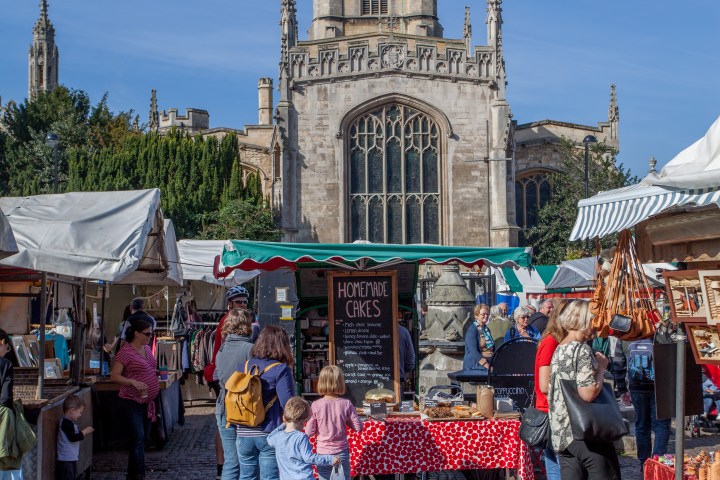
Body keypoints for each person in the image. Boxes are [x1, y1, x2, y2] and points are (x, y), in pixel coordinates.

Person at [548, 300, 620, 480]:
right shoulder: (581, 350)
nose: (596, 326)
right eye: (593, 321)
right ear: (584, 321)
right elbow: (587, 393)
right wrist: (602, 368)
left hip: (562, 433)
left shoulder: (560, 348)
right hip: (586, 432)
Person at [235, 325, 295, 480]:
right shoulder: (280, 369)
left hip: (243, 431)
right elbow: (288, 404)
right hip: (269, 431)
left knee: (246, 477)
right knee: (270, 477)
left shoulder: (245, 366)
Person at [206, 285, 250, 479]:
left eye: (245, 302)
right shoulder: (229, 322)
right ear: (230, 303)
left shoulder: (234, 321)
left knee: (225, 423)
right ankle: (222, 463)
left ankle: (224, 465)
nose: (242, 305)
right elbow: (225, 353)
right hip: (226, 376)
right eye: (239, 301)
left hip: (223, 375)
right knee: (227, 423)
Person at [110, 316, 160, 480]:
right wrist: (132, 381)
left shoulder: (146, 349)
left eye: (151, 334)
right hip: (131, 401)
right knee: (138, 439)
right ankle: (139, 475)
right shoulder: (125, 352)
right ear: (136, 333)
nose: (149, 337)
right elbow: (115, 376)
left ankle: (132, 474)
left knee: (142, 439)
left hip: (147, 402)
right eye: (146, 334)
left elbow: (149, 368)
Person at [215, 309, 255, 480]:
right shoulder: (250, 348)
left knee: (231, 461)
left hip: (223, 407)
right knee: (246, 461)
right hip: (243, 408)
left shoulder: (222, 349)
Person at [533, 300, 569, 480]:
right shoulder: (551, 342)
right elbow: (544, 384)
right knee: (557, 462)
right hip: (550, 410)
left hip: (554, 409)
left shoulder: (555, 340)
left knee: (554, 462)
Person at [305, 365, 363, 480]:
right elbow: (358, 427)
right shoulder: (346, 404)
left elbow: (309, 432)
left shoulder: (316, 405)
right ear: (340, 382)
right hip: (341, 451)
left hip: (322, 453)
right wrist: (345, 420)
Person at [623, 338, 670, 471]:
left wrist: (622, 389)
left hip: (637, 386)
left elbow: (618, 361)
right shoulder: (659, 335)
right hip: (659, 386)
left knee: (642, 424)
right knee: (661, 424)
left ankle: (644, 463)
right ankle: (658, 461)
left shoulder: (628, 335)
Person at [267, 397, 339, 480]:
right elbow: (309, 458)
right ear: (303, 421)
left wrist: (283, 424)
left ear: (284, 417)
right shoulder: (301, 437)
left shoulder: (277, 437)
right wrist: (330, 459)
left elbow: (269, 437)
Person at [56, 395, 94, 480]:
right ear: (72, 411)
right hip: (66, 460)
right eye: (80, 412)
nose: (80, 415)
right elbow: (73, 438)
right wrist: (85, 431)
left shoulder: (69, 423)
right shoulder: (66, 423)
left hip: (70, 458)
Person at [463, 304, 494, 370]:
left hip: (488, 361)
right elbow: (473, 351)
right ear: (476, 316)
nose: (486, 316)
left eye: (487, 314)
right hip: (475, 365)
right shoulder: (472, 330)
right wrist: (486, 364)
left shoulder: (486, 329)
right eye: (483, 314)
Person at [397, 310, 416, 388]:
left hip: (368, 381)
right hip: (397, 381)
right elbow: (410, 363)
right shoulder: (403, 331)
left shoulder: (370, 329)